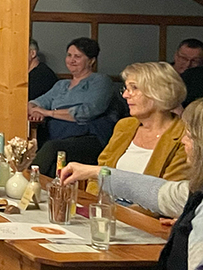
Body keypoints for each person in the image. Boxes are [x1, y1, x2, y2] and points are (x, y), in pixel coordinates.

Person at [59, 99, 203, 270]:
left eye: (190, 136)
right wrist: (96, 172)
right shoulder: (195, 192)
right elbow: (158, 192)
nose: (183, 140)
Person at [83, 62, 187, 201]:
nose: (125, 95)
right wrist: (93, 204)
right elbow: (98, 175)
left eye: (134, 88)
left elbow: (168, 195)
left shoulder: (184, 135)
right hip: (106, 205)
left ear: (159, 92)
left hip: (144, 211)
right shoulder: (125, 126)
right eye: (126, 89)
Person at [29, 37, 119, 174]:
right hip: (56, 135)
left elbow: (86, 112)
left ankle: (29, 180)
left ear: (91, 60)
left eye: (77, 56)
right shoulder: (61, 85)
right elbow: (34, 103)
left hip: (87, 137)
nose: (71, 60)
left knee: (53, 148)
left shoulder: (100, 81)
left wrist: (48, 113)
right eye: (69, 55)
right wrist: (36, 111)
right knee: (49, 159)